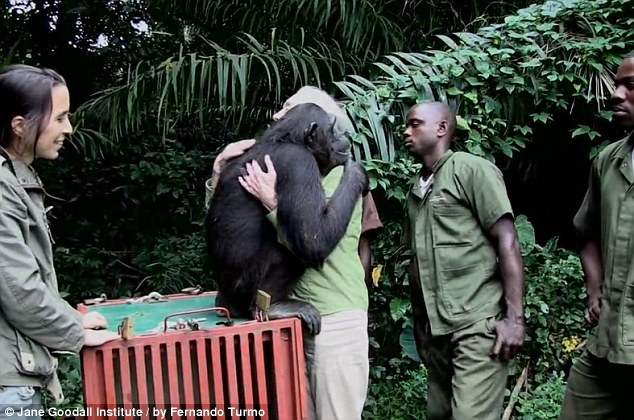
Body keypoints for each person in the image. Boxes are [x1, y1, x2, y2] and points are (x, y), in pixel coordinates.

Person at [204, 86, 382, 420]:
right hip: (285, 307)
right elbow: (310, 241)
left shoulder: (321, 165)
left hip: (332, 315)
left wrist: (274, 204)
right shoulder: (292, 158)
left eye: (286, 108)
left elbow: (315, 239)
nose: (276, 115)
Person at [0, 64, 119, 418]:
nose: (69, 128)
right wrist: (75, 334)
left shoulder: (15, 179)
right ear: (19, 126)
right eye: (61, 117)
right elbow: (16, 286)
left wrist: (72, 316)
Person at [403, 101, 525, 420]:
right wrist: (420, 326)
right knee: (439, 413)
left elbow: (508, 239)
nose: (406, 131)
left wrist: (514, 320)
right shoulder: (416, 191)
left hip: (477, 323)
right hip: (437, 331)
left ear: (442, 128)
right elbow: (417, 262)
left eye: (415, 124)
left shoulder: (470, 170)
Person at [558, 51, 634, 419]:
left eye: (630, 86)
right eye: (617, 84)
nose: (616, 94)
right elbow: (585, 231)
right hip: (607, 341)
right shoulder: (608, 161)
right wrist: (594, 288)